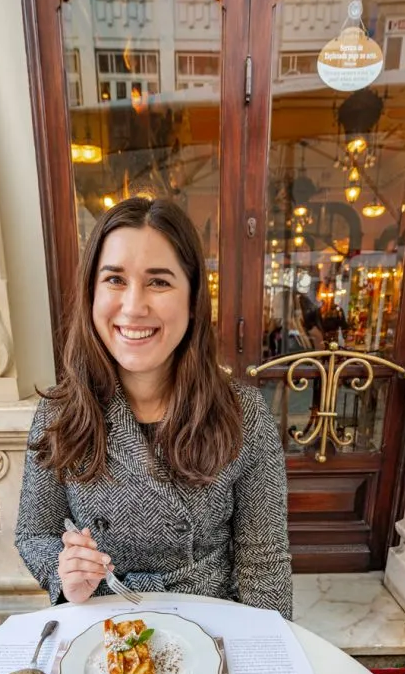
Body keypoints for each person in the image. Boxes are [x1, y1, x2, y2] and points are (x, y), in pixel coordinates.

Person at [15, 197, 292, 620]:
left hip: (211, 618)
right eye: (114, 280)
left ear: (193, 297)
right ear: (91, 292)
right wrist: (66, 572)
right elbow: (35, 532)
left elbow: (264, 561)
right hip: (105, 618)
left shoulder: (244, 413)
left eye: (159, 282)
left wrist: (270, 657)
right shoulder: (61, 413)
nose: (132, 306)